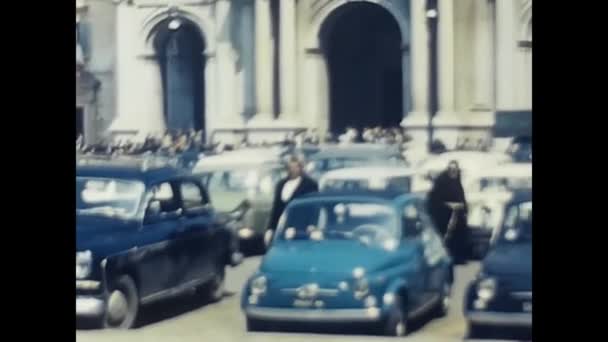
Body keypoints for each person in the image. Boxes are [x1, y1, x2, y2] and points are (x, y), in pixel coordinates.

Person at [266, 156, 319, 245]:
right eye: (291, 167)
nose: (293, 170)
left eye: (296, 167)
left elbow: (314, 207)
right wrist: (270, 228)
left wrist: (312, 224)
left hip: (301, 228)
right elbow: (276, 208)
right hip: (282, 227)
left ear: (300, 168)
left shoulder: (310, 184)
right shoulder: (281, 184)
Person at [426, 160, 469, 264]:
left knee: (459, 237)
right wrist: (449, 205)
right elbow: (435, 200)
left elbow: (461, 196)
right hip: (443, 216)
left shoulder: (457, 181)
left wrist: (464, 207)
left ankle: (459, 257)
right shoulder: (441, 182)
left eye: (455, 170)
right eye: (451, 170)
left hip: (457, 215)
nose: (454, 172)